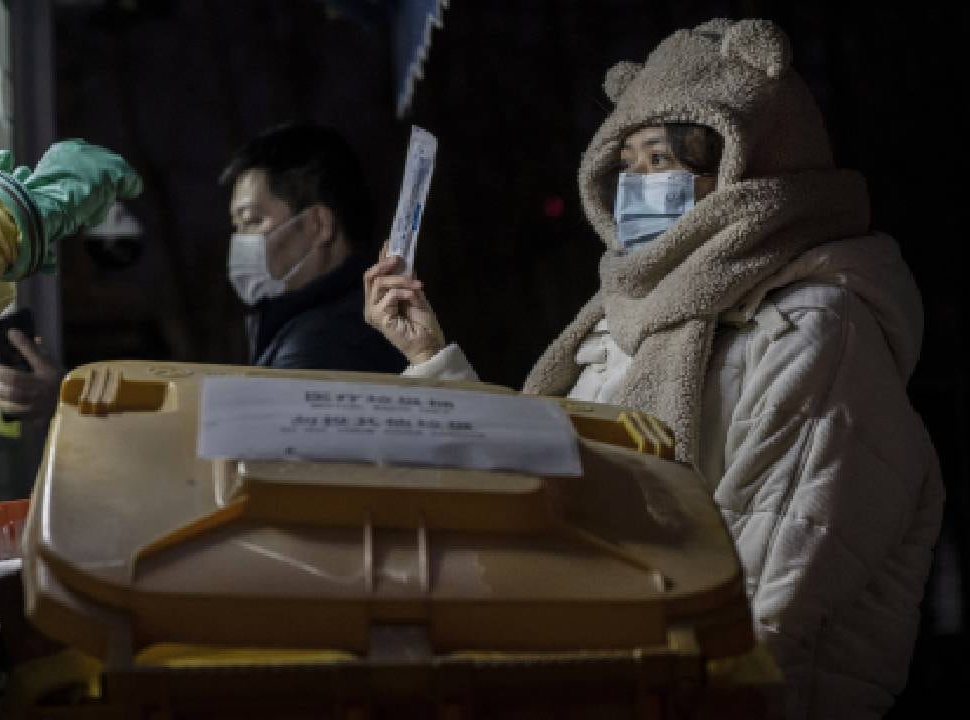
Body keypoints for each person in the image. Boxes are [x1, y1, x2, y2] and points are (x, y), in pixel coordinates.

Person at [364, 18, 942, 719]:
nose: (635, 185)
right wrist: (432, 359)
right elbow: (543, 484)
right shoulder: (616, 322)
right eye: (627, 163)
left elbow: (761, 604)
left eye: (661, 161)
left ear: (747, 163)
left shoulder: (818, 326)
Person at [221, 123, 406, 372]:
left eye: (253, 220)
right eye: (237, 226)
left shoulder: (323, 344)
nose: (240, 241)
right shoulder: (307, 326)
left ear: (318, 225)